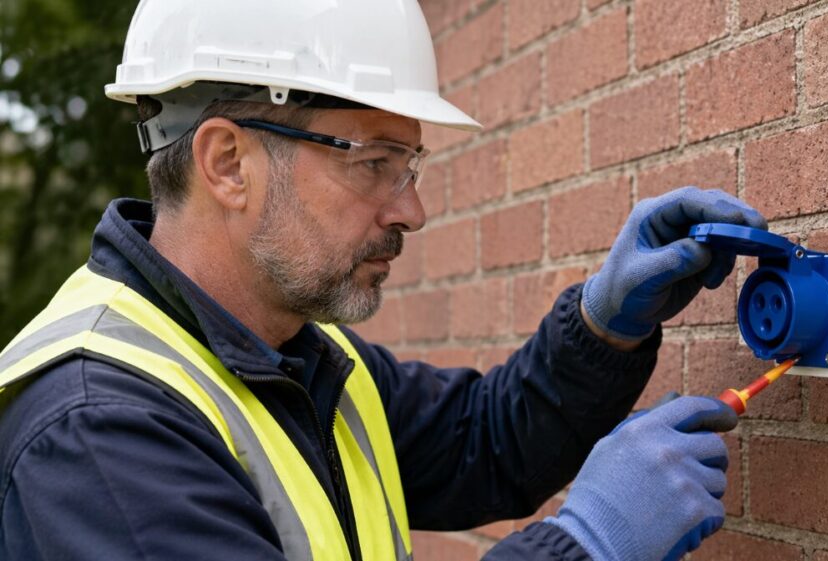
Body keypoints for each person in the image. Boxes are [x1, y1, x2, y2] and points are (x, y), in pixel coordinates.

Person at [0, 1, 767, 560]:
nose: (414, 209)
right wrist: (587, 543)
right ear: (228, 162)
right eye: (374, 164)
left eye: (410, 166)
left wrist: (604, 326)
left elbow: (485, 444)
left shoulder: (298, 357)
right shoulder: (99, 431)